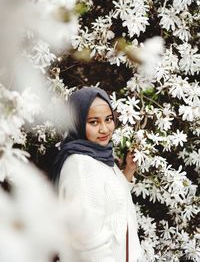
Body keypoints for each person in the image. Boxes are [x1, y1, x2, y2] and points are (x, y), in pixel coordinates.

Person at [51, 86, 143, 262]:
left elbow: (112, 201)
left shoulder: (98, 155)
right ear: (77, 122)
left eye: (108, 119)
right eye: (94, 122)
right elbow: (88, 241)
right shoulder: (81, 165)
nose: (105, 129)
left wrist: (128, 170)